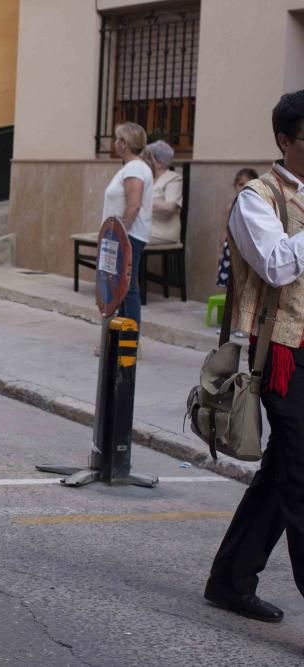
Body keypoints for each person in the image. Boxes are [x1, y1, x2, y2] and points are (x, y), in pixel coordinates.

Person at [203, 89, 304, 626]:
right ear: (285, 141)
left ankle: (230, 580)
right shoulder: (256, 198)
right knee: (301, 478)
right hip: (283, 354)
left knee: (282, 475)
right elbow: (275, 266)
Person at [100, 122, 153, 333]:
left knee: (127, 289)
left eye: (117, 138)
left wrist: (119, 234)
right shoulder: (131, 168)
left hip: (128, 237)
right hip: (125, 235)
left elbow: (134, 204)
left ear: (124, 143)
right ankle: (118, 339)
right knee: (119, 288)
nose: (114, 143)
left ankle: (128, 341)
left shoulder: (135, 169)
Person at [217, 168, 259, 289]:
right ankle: (231, 306)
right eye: (240, 184)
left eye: (248, 184)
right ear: (235, 185)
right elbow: (224, 230)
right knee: (231, 282)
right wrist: (220, 252)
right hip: (230, 249)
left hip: (248, 250)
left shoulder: (258, 208)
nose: (243, 188)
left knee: (246, 283)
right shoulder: (230, 207)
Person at [147, 140, 183, 244]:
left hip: (163, 232)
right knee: (114, 234)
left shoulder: (173, 179)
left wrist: (144, 203)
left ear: (160, 162)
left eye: (149, 158)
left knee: (126, 238)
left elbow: (170, 207)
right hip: (146, 229)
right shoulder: (148, 178)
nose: (145, 161)